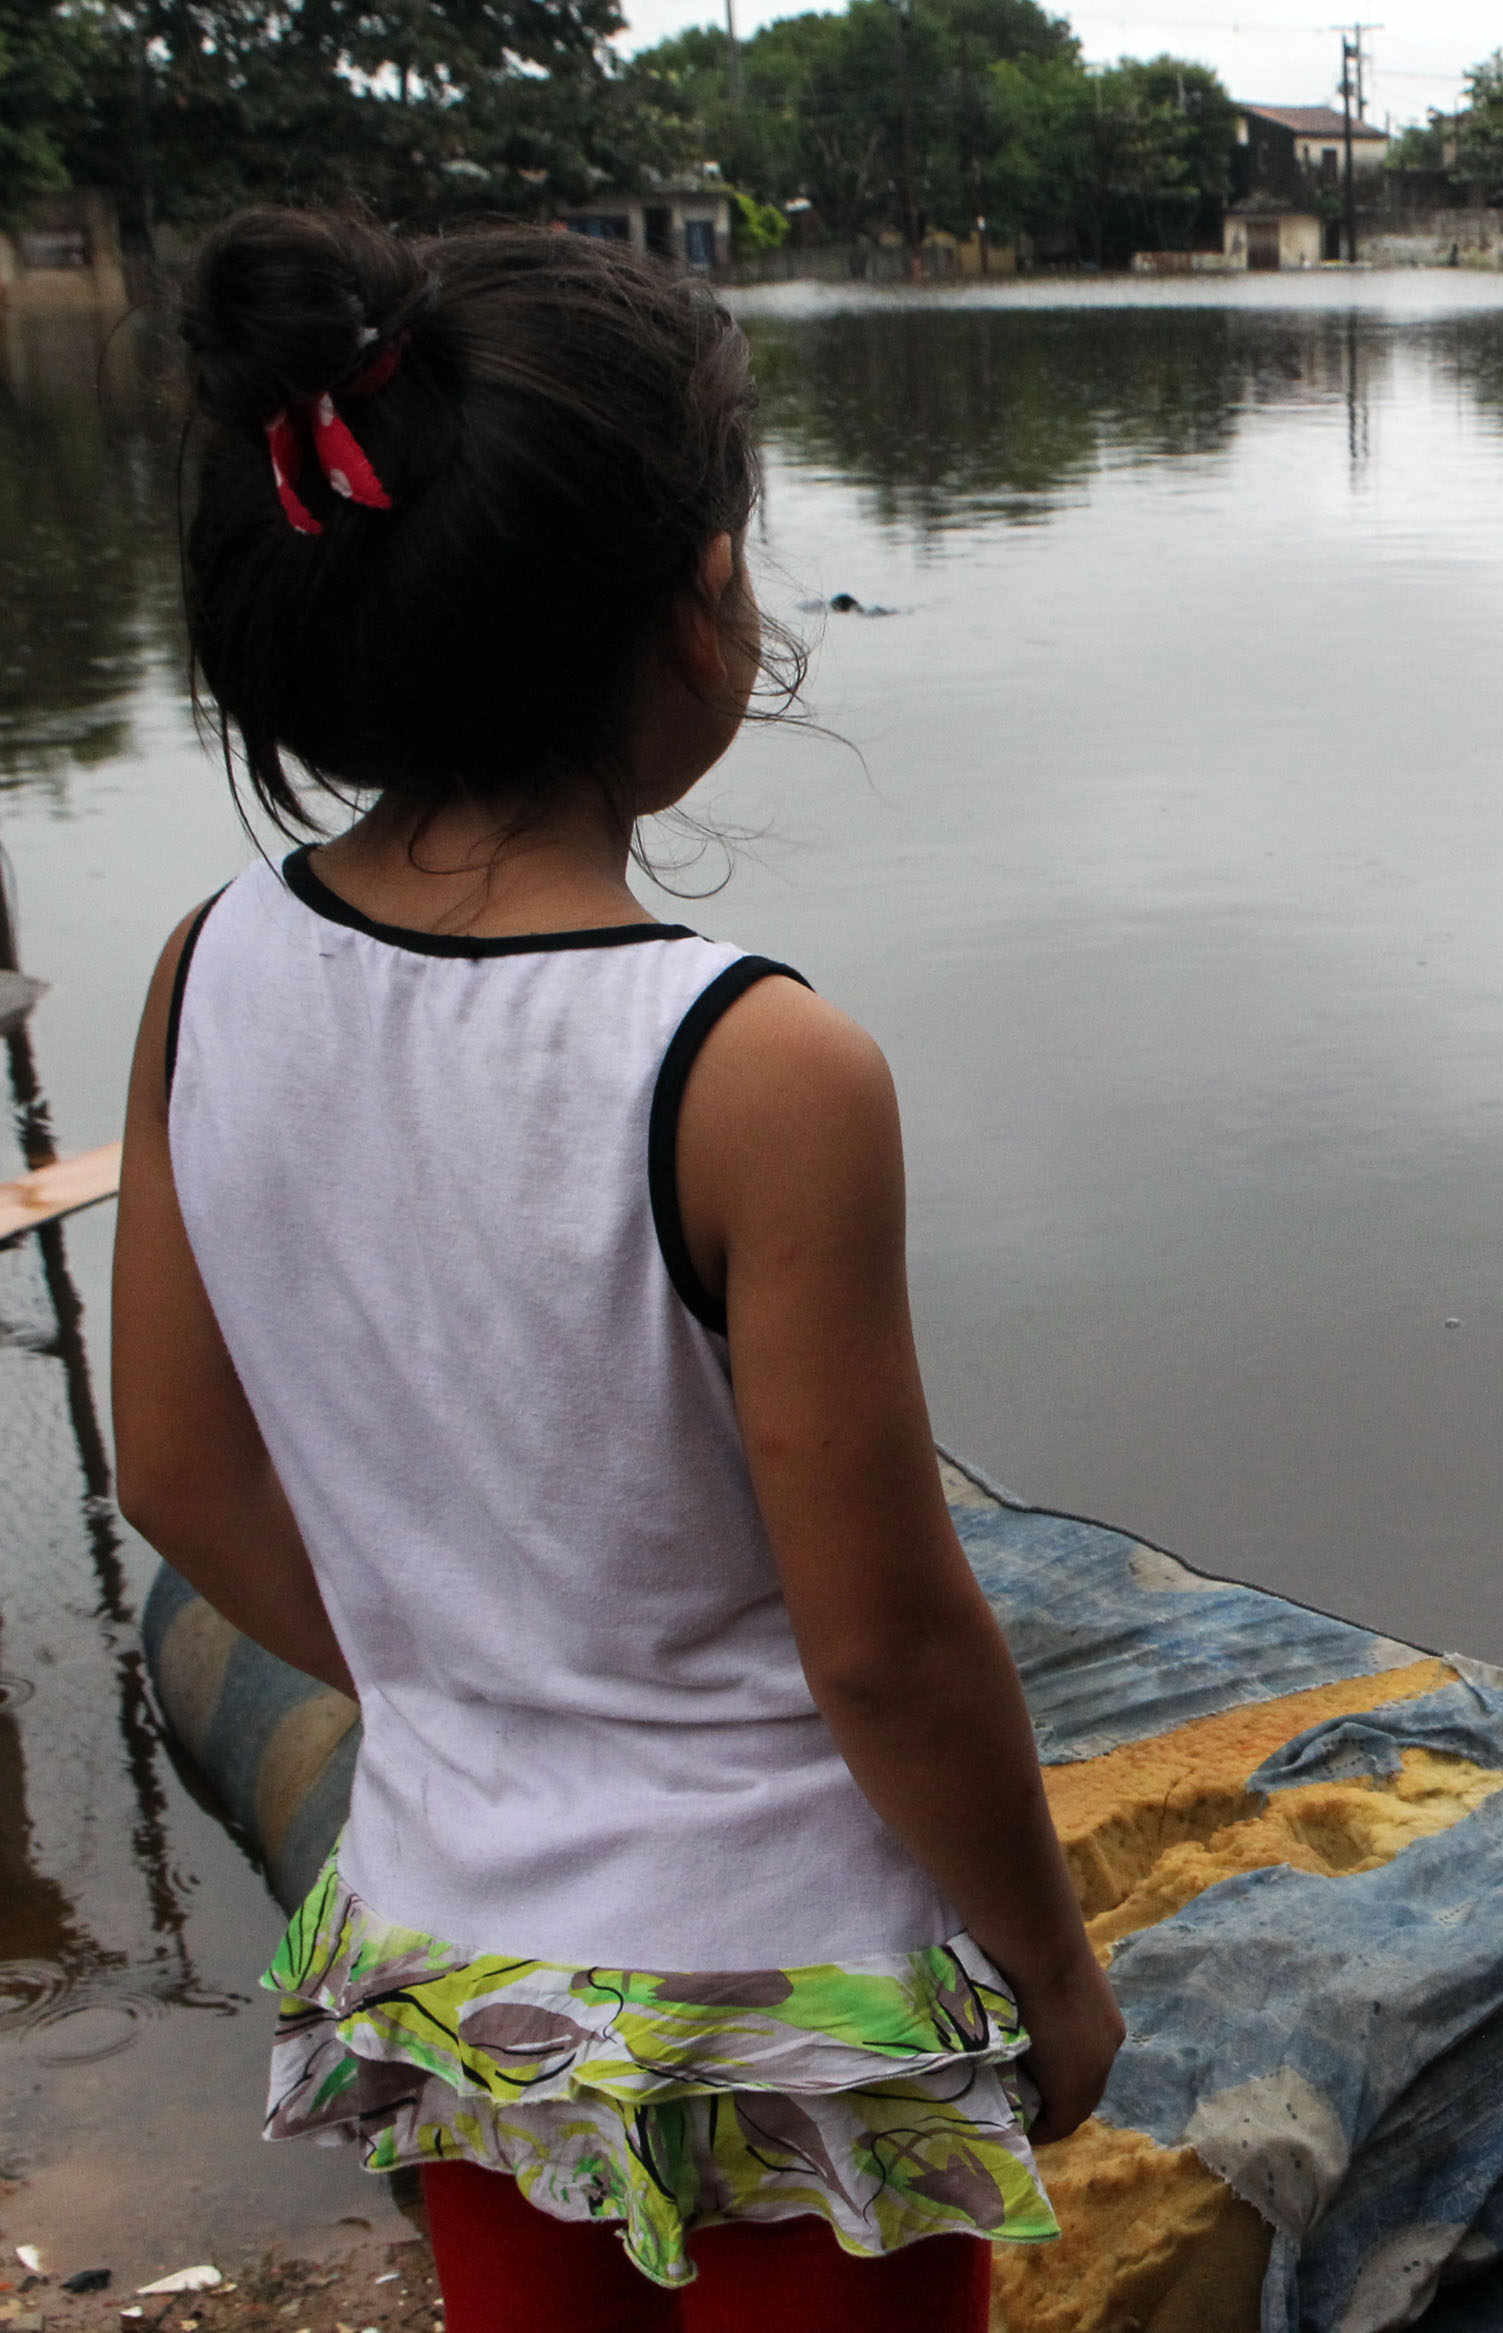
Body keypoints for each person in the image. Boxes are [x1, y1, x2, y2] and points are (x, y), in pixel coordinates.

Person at [110, 209, 1123, 2332]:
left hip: (454, 1944)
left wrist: (469, 1685)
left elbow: (183, 1482)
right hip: (789, 1984)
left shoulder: (209, 970)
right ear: (695, 611)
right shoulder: (758, 1063)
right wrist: (1047, 1959)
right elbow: (886, 1648)